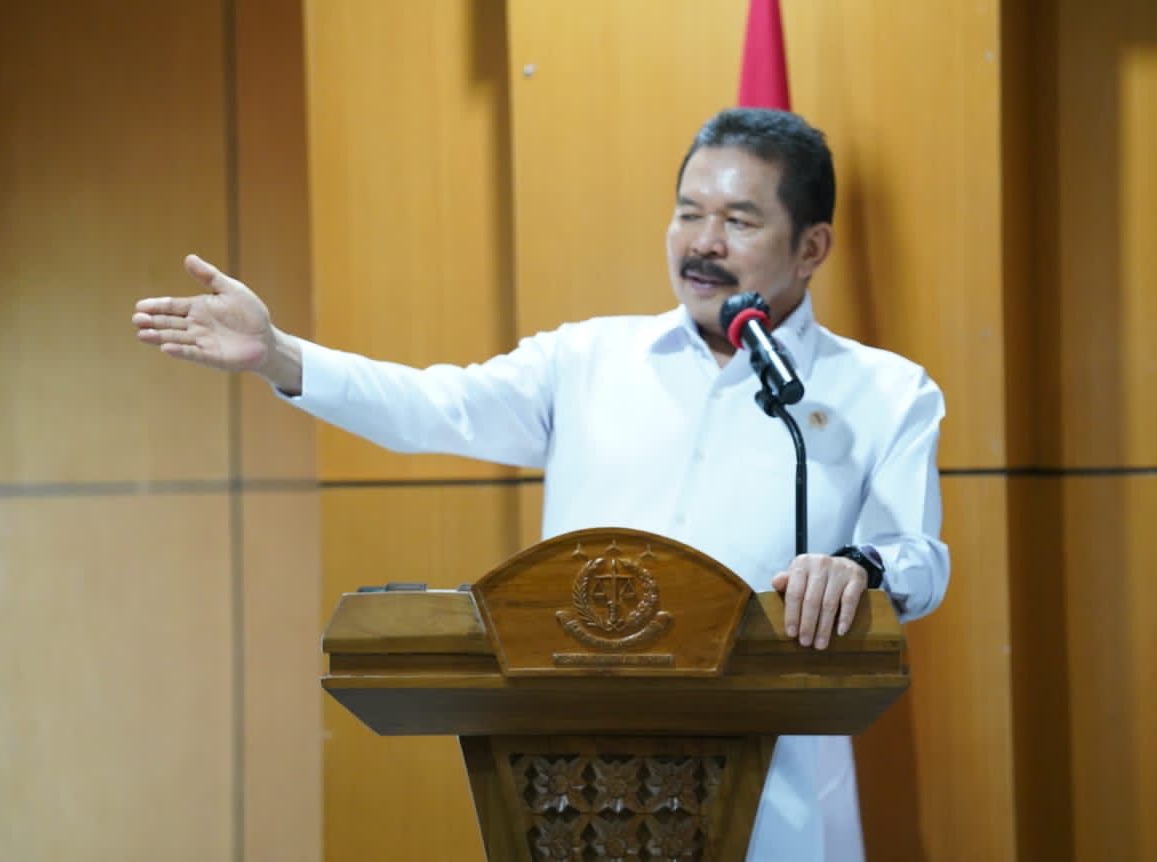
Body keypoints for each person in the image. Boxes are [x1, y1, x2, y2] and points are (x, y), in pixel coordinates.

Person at [134, 107, 949, 861]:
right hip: (578, 795)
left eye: (738, 221)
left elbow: (919, 557)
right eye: (687, 212)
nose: (703, 243)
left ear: (811, 247)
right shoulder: (585, 361)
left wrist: (860, 568)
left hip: (781, 802)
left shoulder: (885, 390)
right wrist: (281, 356)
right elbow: (438, 406)